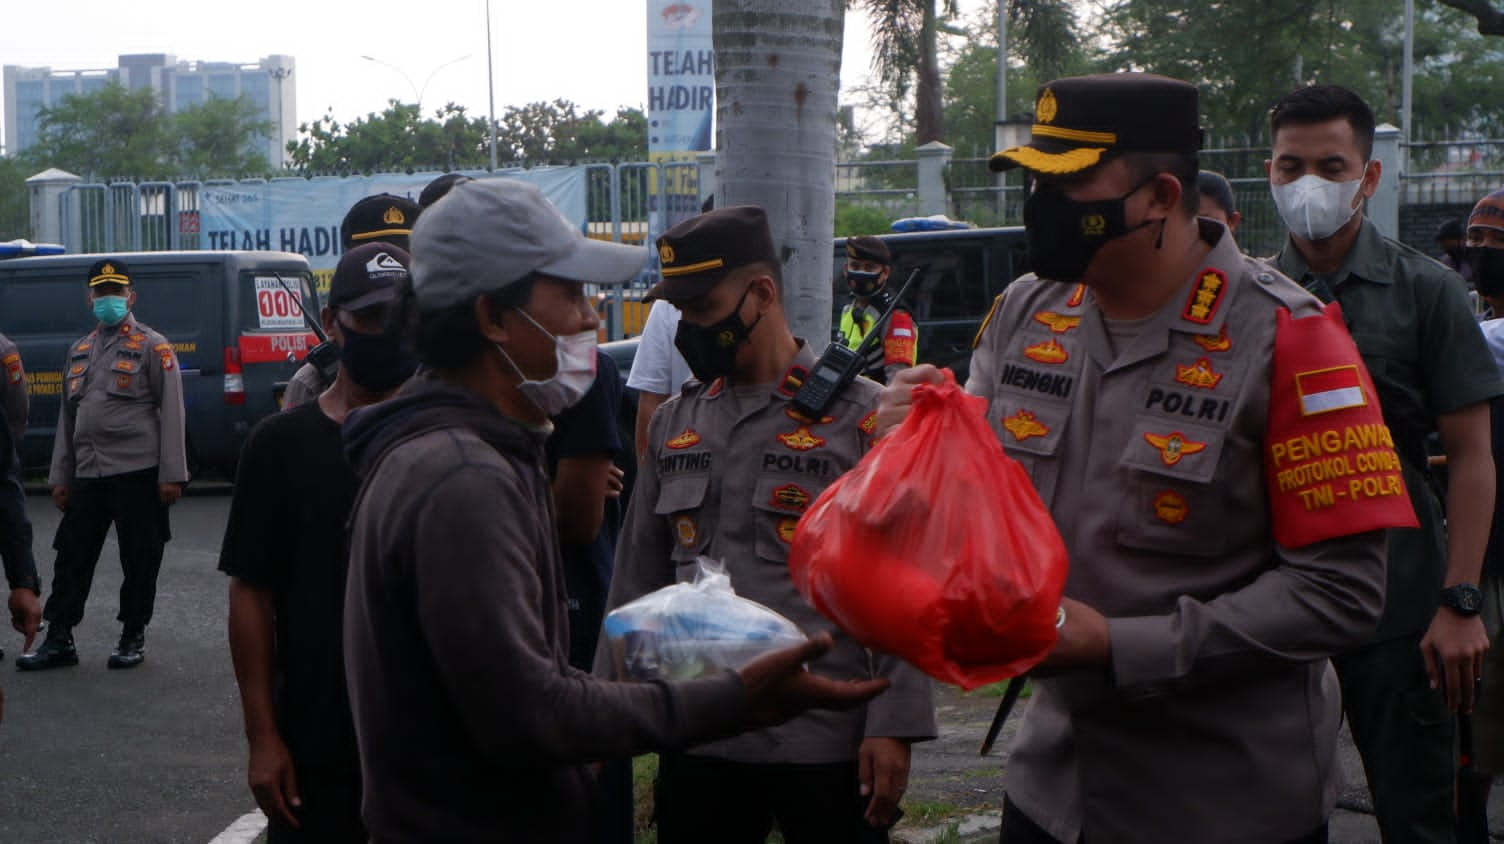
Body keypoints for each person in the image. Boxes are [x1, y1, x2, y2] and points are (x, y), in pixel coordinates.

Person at [878, 73, 1408, 843]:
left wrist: (1123, 648)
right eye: (1033, 179)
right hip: (1053, 791)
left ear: (1161, 196)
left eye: (1068, 183)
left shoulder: (1292, 338)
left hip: (1221, 804)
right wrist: (923, 441)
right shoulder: (1028, 310)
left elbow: (1344, 592)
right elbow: (981, 504)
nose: (1040, 203)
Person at [339, 178, 888, 843]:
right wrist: (734, 698)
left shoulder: (462, 454)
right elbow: (534, 714)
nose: (591, 319)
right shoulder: (464, 479)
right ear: (493, 319)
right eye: (569, 294)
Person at [603, 206, 936, 843]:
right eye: (680, 312)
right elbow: (634, 579)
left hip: (826, 738)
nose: (689, 329)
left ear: (762, 294)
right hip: (702, 735)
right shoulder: (675, 423)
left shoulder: (862, 420)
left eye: (702, 308)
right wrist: (610, 711)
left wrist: (893, 722)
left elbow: (904, 579)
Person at [1268, 84, 1503, 844]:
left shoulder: (1427, 292)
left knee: (1419, 817)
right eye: (1289, 166)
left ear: (1368, 176)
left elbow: (1472, 458)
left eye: (1331, 165)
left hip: (1402, 610)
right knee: (1270, 818)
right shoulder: (1240, 299)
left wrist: (1458, 601)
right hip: (1272, 612)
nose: (1308, 185)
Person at [219, 243, 417, 843]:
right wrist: (263, 737)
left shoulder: (448, 436)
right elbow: (251, 594)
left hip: (433, 750)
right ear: (331, 324)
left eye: (403, 319)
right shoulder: (281, 445)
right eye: (371, 319)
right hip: (319, 750)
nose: (388, 335)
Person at [19, 259, 188, 671]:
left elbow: (172, 411)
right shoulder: (78, 350)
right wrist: (60, 476)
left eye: (115, 292)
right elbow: (67, 419)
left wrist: (172, 474)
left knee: (139, 557)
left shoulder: (153, 345)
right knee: (72, 556)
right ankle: (60, 638)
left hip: (138, 471)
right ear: (89, 298)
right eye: (100, 293)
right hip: (89, 473)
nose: (107, 300)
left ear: (131, 297)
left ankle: (132, 634)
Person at [282, 192, 422, 410]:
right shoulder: (313, 383)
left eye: (403, 255)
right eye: (370, 258)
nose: (390, 266)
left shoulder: (450, 369)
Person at [1467, 188, 1504, 802]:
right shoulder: (1475, 329)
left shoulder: (1482, 340)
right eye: (1477, 240)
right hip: (1488, 557)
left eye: (1499, 242)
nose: (1483, 252)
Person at [837, 235, 919, 384]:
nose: (861, 272)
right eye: (855, 266)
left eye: (869, 267)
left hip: (874, 402)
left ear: (885, 273)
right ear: (845, 270)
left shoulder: (896, 316)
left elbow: (898, 380)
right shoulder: (848, 310)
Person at [627, 298, 693, 459]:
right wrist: (647, 478)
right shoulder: (667, 304)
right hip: (684, 466)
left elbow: (652, 400)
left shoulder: (667, 305)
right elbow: (652, 403)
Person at [1436, 218, 1474, 284]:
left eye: (1450, 245)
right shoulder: (1444, 262)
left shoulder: (1477, 260)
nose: (1445, 249)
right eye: (1444, 246)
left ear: (1463, 239)